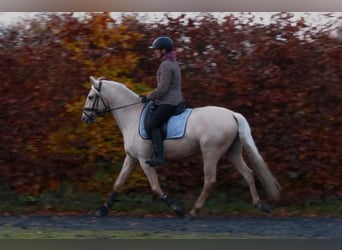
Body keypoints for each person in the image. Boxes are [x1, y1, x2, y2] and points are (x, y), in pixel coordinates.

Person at [140, 36, 184, 167]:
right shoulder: (173, 62)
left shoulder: (166, 65)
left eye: (156, 50)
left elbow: (163, 88)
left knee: (153, 124)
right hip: (173, 99)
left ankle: (159, 157)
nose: (154, 52)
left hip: (169, 101)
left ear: (163, 50)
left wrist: (148, 97)